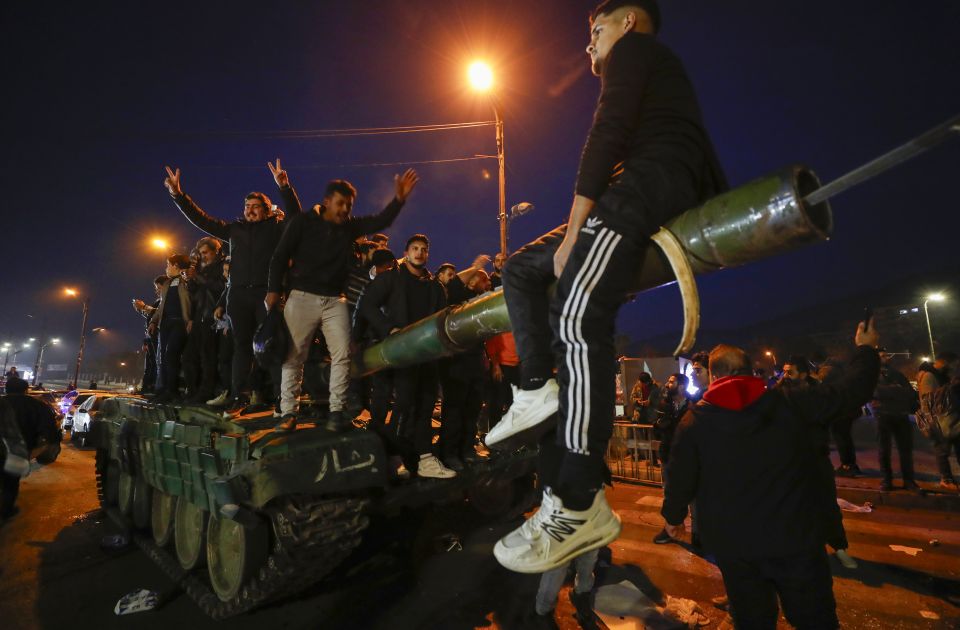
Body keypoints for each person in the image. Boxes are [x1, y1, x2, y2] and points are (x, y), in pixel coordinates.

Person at [490, 0, 727, 573]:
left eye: (595, 31)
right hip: (636, 176)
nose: (589, 45)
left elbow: (608, 130)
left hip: (656, 174)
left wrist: (576, 230)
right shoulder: (644, 62)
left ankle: (577, 503)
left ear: (626, 22)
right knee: (519, 269)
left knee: (575, 314)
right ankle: (535, 388)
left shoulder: (636, 49)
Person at [660, 322, 880, 629]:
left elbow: (679, 478)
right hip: (797, 539)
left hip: (736, 547)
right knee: (814, 619)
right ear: (750, 370)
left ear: (714, 374)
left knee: (753, 620)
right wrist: (866, 350)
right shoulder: (791, 403)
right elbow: (849, 392)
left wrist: (672, 517)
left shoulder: (694, 423)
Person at [267, 168, 419, 433]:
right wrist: (273, 290)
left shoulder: (349, 228)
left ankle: (337, 411)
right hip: (302, 296)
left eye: (349, 206)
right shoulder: (303, 222)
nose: (344, 210)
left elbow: (379, 222)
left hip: (335, 300)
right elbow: (280, 256)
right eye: (340, 204)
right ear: (327, 202)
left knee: (342, 356)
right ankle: (288, 413)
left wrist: (399, 200)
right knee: (293, 356)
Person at [165, 160, 300, 411]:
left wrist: (285, 187)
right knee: (242, 347)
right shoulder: (234, 229)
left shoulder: (276, 228)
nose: (250, 210)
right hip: (237, 297)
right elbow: (202, 220)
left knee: (271, 343)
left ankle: (283, 399)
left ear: (266, 210)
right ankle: (240, 395)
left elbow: (295, 216)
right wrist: (178, 195)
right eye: (247, 206)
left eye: (256, 207)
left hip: (265, 293)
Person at [357, 234, 452, 478]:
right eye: (415, 249)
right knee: (399, 407)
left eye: (423, 249)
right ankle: (392, 457)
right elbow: (366, 304)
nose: (419, 253)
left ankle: (425, 460)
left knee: (426, 406)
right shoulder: (391, 278)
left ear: (427, 254)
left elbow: (442, 318)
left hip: (427, 355)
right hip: (396, 354)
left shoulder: (435, 287)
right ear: (406, 252)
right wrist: (388, 328)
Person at [1, 377, 59, 520]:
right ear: (26, 390)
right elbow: (49, 430)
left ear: (6, 389)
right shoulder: (36, 405)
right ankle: (5, 511)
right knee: (11, 482)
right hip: (18, 450)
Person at [183, 236, 227, 403]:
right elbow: (195, 294)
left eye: (206, 253)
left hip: (213, 318)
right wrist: (191, 280)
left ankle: (205, 392)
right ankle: (192, 390)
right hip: (199, 316)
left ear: (216, 251)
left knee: (208, 357)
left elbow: (220, 287)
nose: (203, 257)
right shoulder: (201, 268)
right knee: (189, 356)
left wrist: (198, 277)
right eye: (200, 254)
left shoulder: (222, 266)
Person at [870, 349, 920, 492]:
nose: (886, 357)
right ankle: (887, 480)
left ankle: (909, 480)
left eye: (886, 355)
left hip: (900, 414)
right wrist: (896, 389)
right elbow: (875, 392)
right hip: (882, 415)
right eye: (882, 356)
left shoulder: (897, 373)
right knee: (884, 450)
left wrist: (889, 391)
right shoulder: (871, 375)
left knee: (906, 450)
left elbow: (909, 392)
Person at [149, 254, 194, 402]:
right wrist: (154, 321)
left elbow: (193, 300)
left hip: (180, 322)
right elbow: (161, 306)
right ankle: (164, 391)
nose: (166, 268)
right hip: (166, 324)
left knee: (171, 354)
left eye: (168, 264)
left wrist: (191, 319)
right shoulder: (167, 284)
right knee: (163, 357)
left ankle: (173, 391)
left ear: (176, 265)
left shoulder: (186, 280)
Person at [651, 372, 689, 544]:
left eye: (671, 382)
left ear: (681, 386)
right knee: (669, 494)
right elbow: (657, 429)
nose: (667, 384)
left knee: (693, 497)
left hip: (688, 457)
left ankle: (698, 533)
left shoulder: (693, 405)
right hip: (668, 456)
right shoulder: (664, 404)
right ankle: (670, 527)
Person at [917, 351, 960, 491]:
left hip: (951, 418)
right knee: (942, 451)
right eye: (952, 364)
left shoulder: (941, 375)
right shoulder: (929, 376)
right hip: (939, 421)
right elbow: (929, 401)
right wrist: (951, 386)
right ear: (944, 362)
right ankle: (946, 479)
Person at [132, 275, 164, 394]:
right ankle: (147, 387)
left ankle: (155, 387)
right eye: (156, 288)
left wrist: (144, 307)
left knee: (157, 362)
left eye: (159, 287)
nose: (156, 290)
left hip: (159, 336)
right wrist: (141, 310)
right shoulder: (157, 301)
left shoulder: (165, 301)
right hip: (151, 337)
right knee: (149, 365)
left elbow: (161, 314)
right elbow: (151, 318)